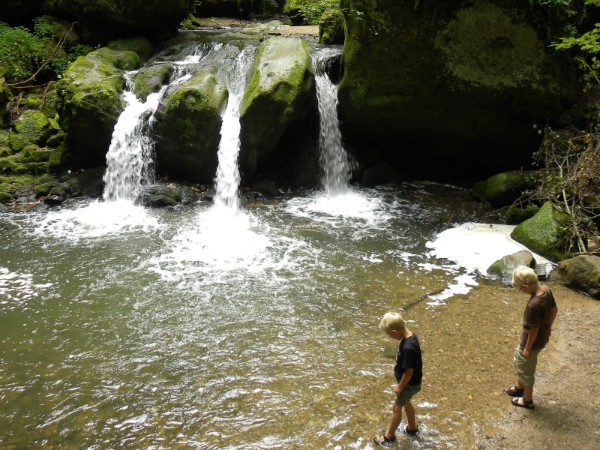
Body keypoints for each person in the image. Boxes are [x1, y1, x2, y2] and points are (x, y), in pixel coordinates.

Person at [504, 266, 558, 409]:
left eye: (520, 289)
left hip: (531, 343)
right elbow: (554, 309)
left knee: (526, 368)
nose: (521, 292)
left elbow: (533, 329)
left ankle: (527, 400)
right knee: (519, 362)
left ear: (526, 286)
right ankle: (519, 387)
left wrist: (527, 348)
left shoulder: (533, 306)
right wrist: (548, 327)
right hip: (541, 338)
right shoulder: (546, 289)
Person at [374, 312, 423, 446]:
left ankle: (389, 437)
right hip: (412, 383)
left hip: (408, 384)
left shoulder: (408, 347)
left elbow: (408, 372)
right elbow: (410, 362)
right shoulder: (411, 337)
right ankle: (412, 429)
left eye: (389, 334)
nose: (390, 337)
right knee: (406, 403)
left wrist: (400, 387)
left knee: (396, 407)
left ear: (395, 331)